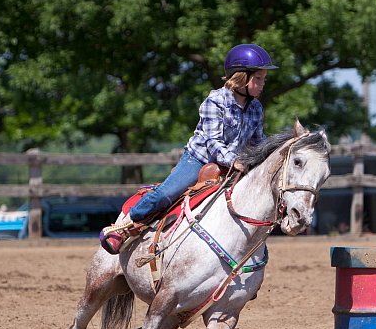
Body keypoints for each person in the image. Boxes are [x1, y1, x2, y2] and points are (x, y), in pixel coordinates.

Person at [101, 43, 278, 252]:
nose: (263, 83)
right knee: (166, 194)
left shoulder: (256, 108)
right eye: (258, 78)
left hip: (234, 165)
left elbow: (258, 142)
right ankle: (123, 226)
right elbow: (213, 143)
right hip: (199, 160)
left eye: (263, 79)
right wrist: (236, 162)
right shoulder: (216, 100)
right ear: (242, 77)